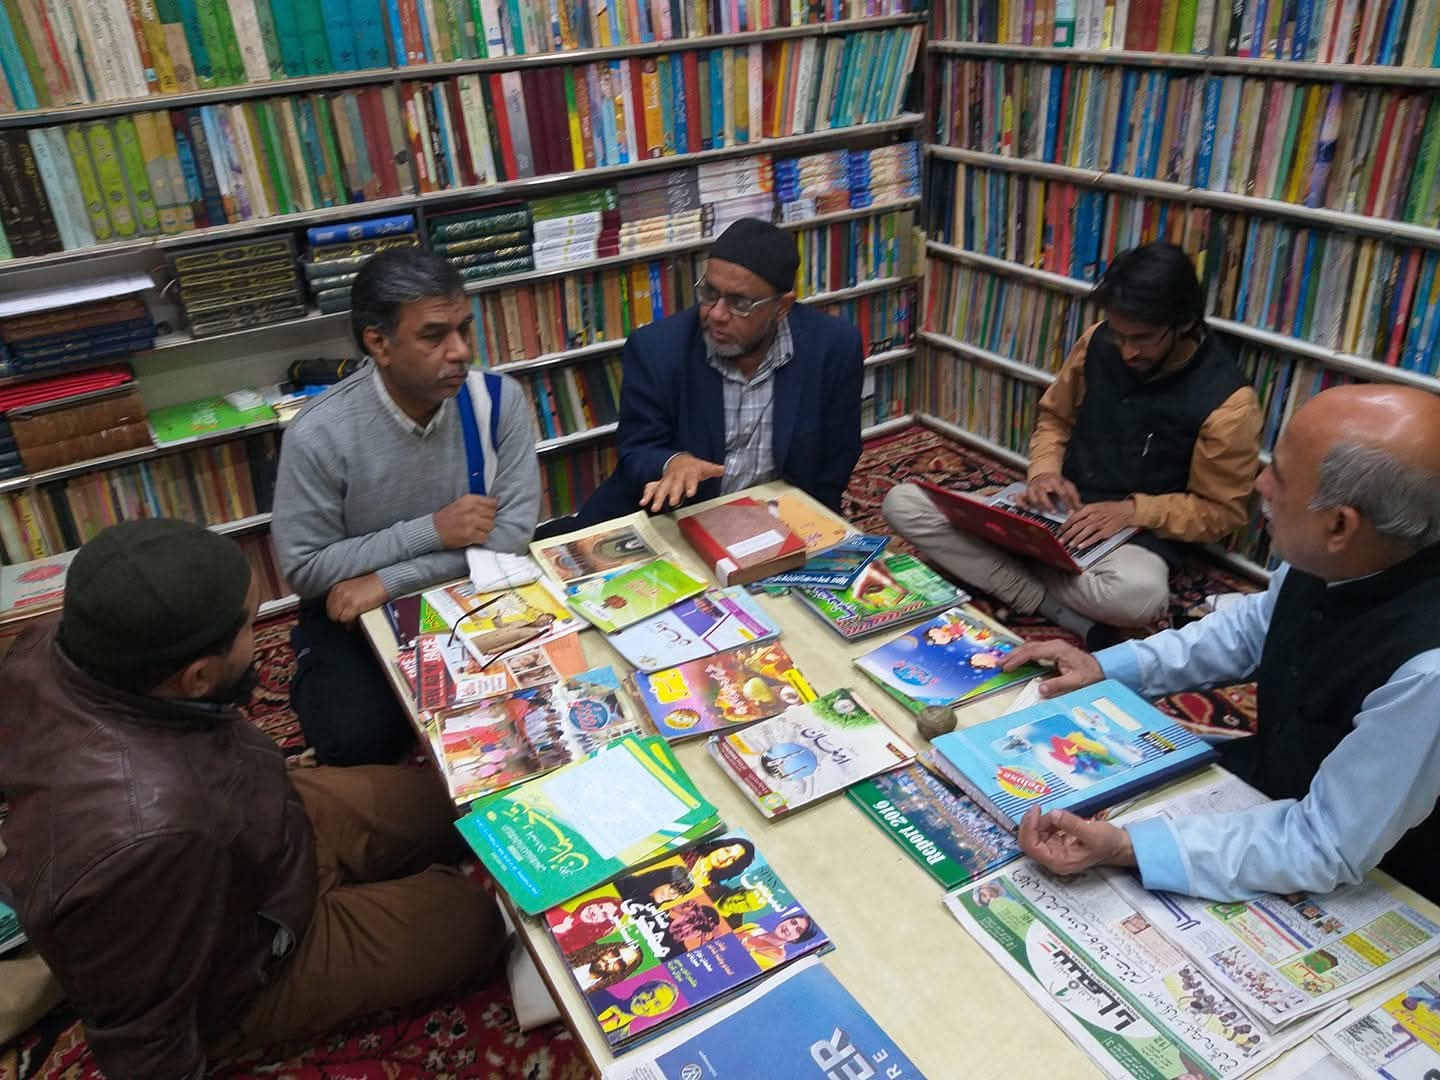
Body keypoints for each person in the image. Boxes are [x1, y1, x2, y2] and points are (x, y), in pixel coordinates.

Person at [0, 519, 504, 1080]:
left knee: (461, 799)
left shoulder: (59, 644)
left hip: (258, 820)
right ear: (197, 677)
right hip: (252, 954)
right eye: (248, 627)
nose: (262, 635)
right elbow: (140, 1027)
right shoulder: (146, 840)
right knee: (476, 921)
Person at [999, 385, 1440, 902]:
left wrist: (1127, 847)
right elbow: (1248, 630)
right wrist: (1106, 668)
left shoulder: (1427, 671)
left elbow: (1325, 844)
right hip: (1270, 783)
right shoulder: (1338, 555)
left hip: (1381, 874)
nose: (1259, 483)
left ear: (1340, 524)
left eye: (1280, 475)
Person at [884, 242, 1263, 646]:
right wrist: (1043, 473)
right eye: (1119, 335)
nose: (1128, 351)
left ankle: (1001, 565)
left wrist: (1134, 511)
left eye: (1143, 338)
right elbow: (1054, 419)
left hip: (1132, 536)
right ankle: (1049, 601)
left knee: (1138, 599)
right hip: (1055, 510)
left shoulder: (1229, 405)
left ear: (1183, 322)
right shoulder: (1096, 341)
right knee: (902, 502)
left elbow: (1221, 512)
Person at [272, 249, 541, 766]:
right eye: (434, 336)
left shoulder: (498, 400)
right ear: (379, 343)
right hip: (353, 608)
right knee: (360, 739)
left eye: (464, 329)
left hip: (466, 583)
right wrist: (432, 530)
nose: (460, 351)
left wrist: (390, 579)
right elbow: (306, 570)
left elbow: (511, 538)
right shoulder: (318, 433)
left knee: (540, 690)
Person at [566, 217, 865, 527]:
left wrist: (815, 531)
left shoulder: (834, 347)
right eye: (709, 293)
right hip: (674, 517)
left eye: (740, 303)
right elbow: (637, 448)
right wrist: (673, 462)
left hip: (775, 519)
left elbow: (837, 457)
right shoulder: (656, 349)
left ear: (781, 308)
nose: (717, 314)